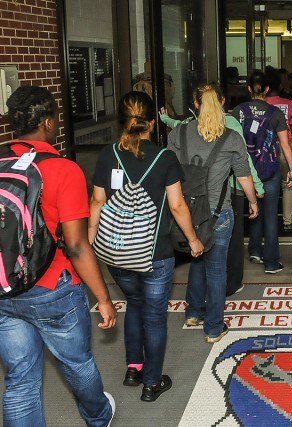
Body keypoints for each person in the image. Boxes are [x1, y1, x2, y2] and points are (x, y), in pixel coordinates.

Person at [1, 86, 117, 425]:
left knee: (20, 379)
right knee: (76, 363)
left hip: (4, 284)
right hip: (51, 286)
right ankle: (99, 416)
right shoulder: (63, 169)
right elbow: (77, 245)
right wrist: (104, 297)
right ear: (48, 122)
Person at [90, 91, 204, 402]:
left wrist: (90, 242)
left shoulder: (107, 155)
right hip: (155, 255)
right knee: (154, 315)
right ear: (152, 123)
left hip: (117, 252)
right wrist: (193, 239)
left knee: (134, 304)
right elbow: (178, 205)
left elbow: (97, 202)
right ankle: (152, 383)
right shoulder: (164, 158)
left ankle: (133, 368)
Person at [168, 83, 259, 341]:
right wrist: (253, 202)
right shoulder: (232, 138)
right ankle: (213, 327)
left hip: (184, 211)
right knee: (217, 269)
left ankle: (194, 312)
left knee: (196, 258)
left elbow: (170, 172)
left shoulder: (178, 134)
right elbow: (244, 177)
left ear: (194, 105)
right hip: (218, 213)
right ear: (222, 102)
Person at [231, 70, 292, 274]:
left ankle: (254, 250)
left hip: (243, 170)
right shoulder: (275, 113)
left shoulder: (237, 111)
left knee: (253, 207)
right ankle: (271, 262)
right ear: (267, 89)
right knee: (269, 214)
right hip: (269, 169)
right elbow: (285, 144)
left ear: (249, 88)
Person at [265, 66, 292, 233]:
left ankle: (265, 219)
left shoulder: (260, 104)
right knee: (288, 184)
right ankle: (287, 221)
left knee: (266, 182)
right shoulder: (289, 104)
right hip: (286, 146)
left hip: (264, 149)